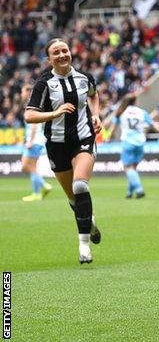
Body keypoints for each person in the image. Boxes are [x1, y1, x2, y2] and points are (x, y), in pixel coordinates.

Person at [24, 38, 102, 264]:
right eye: (56, 53)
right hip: (56, 145)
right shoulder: (44, 83)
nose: (62, 55)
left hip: (84, 138)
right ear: (49, 59)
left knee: (80, 185)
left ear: (71, 53)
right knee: (73, 198)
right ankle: (90, 221)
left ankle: (84, 245)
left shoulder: (84, 78)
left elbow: (94, 95)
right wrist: (54, 113)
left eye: (65, 50)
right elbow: (29, 115)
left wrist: (95, 114)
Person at [106, 91, 159, 199]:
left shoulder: (121, 111)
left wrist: (110, 138)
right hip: (140, 142)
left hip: (128, 142)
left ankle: (139, 189)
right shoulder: (141, 112)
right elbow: (153, 124)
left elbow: (113, 128)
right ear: (135, 101)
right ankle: (129, 193)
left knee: (128, 168)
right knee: (133, 168)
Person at [20, 84, 53, 201]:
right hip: (36, 140)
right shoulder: (33, 104)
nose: (21, 94)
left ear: (28, 93)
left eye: (22, 91)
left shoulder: (31, 105)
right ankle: (39, 190)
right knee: (28, 167)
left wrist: (31, 141)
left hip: (34, 141)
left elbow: (34, 125)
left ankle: (41, 188)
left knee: (27, 166)